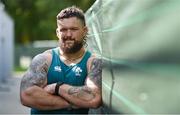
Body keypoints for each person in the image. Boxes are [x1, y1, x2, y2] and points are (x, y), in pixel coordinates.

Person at [20, 6, 102, 114]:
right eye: (63, 29)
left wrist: (56, 87)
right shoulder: (44, 59)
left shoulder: (92, 62)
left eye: (74, 29)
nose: (68, 34)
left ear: (84, 31)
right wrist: (73, 103)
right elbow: (27, 95)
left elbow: (93, 97)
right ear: (58, 33)